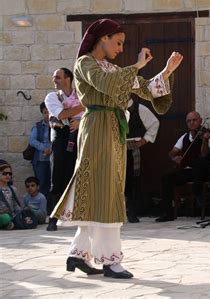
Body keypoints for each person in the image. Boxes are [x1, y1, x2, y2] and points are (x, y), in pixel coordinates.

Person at [50, 18, 183, 279]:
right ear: (103, 39)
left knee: (97, 189)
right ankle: (111, 261)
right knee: (106, 190)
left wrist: (166, 71)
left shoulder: (111, 67)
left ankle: (78, 253)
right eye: (118, 42)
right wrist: (137, 65)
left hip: (110, 128)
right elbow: (108, 84)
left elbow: (142, 88)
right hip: (98, 126)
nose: (121, 48)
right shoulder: (85, 63)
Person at [155, 111, 210, 222]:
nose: (192, 123)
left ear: (200, 121)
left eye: (194, 120)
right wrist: (174, 158)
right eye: (189, 121)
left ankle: (199, 201)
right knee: (167, 178)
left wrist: (205, 140)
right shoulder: (184, 137)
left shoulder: (207, 135)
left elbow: (204, 154)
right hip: (188, 171)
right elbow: (172, 152)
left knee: (199, 169)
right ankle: (168, 213)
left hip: (202, 171)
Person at [44, 67, 83, 231]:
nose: (54, 80)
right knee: (57, 177)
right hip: (60, 139)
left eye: (57, 77)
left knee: (75, 175)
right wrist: (83, 106)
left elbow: (90, 114)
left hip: (78, 136)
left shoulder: (81, 94)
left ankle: (76, 215)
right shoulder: (52, 96)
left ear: (68, 78)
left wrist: (79, 122)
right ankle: (53, 217)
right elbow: (60, 115)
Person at [125, 96, 160, 223]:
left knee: (132, 180)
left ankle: (132, 212)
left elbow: (154, 123)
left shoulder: (139, 108)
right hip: (114, 148)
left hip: (132, 148)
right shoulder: (112, 107)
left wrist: (145, 140)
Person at [28, 102, 51, 197]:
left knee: (53, 185)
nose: (47, 115)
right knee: (41, 184)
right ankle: (42, 209)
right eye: (45, 112)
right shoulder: (38, 126)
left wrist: (50, 150)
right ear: (42, 113)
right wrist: (44, 149)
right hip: (40, 161)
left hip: (53, 160)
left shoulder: (59, 125)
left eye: (49, 112)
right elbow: (32, 140)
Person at [0, 160, 20, 230]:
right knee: (5, 218)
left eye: (9, 173)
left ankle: (7, 224)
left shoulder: (13, 189)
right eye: (4, 173)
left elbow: (15, 204)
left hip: (11, 214)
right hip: (2, 215)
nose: (8, 175)